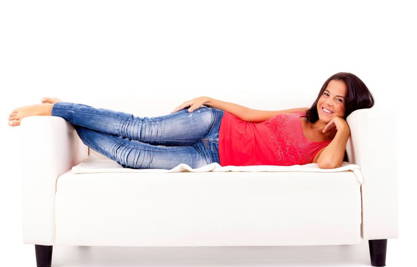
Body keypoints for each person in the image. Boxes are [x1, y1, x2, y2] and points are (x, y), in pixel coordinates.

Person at [8, 72, 374, 169]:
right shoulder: (299, 112)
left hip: (211, 158)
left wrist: (341, 129)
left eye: (338, 100)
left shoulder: (329, 147)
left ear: (350, 107)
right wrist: (210, 99)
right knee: (139, 128)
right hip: (212, 125)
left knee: (131, 156)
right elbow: (251, 114)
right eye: (327, 93)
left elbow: (328, 165)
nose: (327, 102)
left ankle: (73, 117)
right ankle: (58, 109)